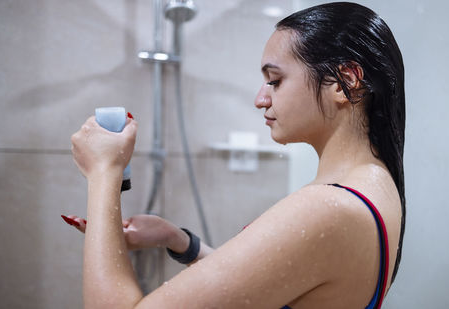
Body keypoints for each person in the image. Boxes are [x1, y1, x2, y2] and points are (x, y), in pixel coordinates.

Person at [65, 2, 405, 308]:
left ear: (344, 81)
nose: (260, 98)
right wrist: (179, 240)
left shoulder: (330, 209)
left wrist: (104, 172)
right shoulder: (375, 185)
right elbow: (275, 281)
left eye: (275, 80)